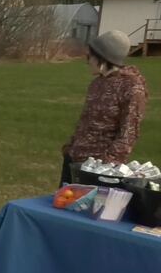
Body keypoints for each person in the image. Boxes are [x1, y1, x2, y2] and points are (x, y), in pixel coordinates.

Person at [60, 30, 149, 186]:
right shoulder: (97, 83)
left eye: (90, 57)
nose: (87, 61)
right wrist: (70, 148)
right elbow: (86, 121)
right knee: (63, 200)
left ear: (103, 58)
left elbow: (128, 133)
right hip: (74, 159)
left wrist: (104, 164)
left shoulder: (132, 87)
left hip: (99, 169)